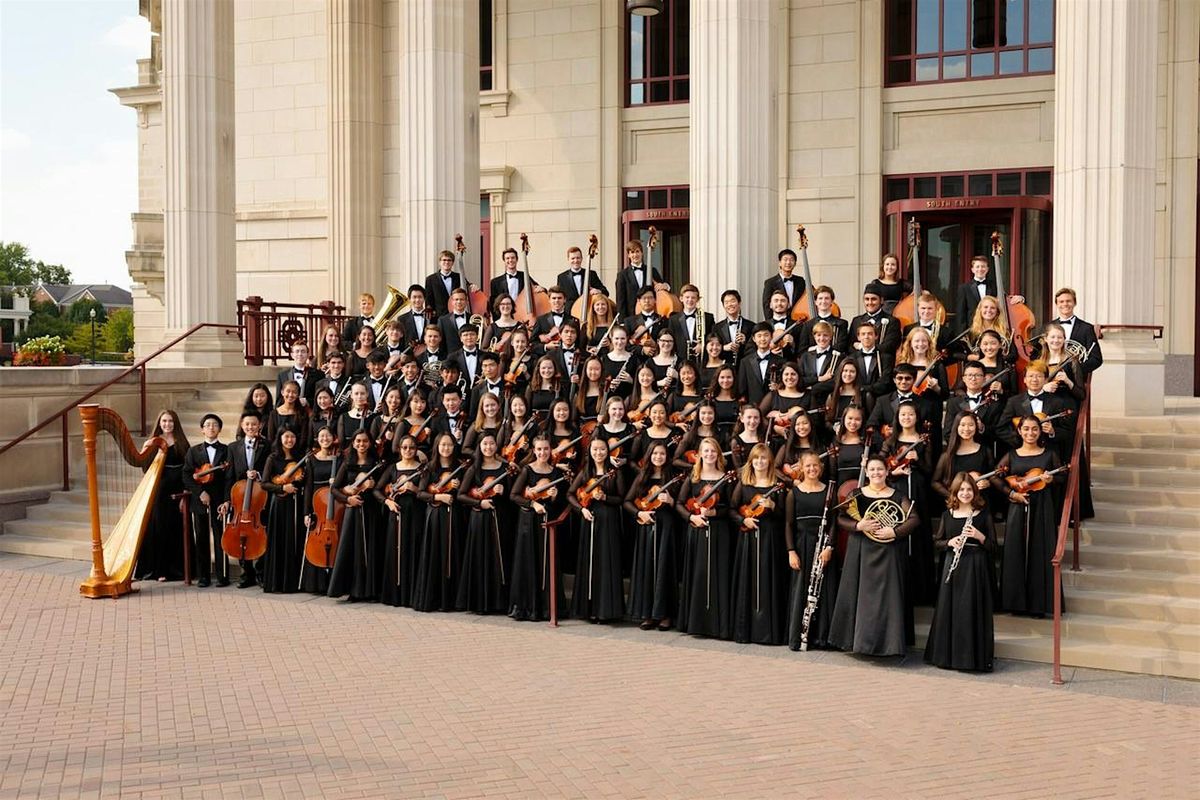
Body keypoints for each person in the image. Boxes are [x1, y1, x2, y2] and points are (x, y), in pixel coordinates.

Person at [829, 456, 919, 657]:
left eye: (880, 469)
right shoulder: (857, 494)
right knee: (861, 597)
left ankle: (889, 645)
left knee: (888, 598)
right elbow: (840, 518)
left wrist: (894, 532)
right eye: (872, 469)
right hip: (861, 550)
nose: (876, 473)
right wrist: (858, 525)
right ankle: (860, 643)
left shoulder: (898, 496)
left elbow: (914, 519)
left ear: (887, 472)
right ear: (867, 472)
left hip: (889, 551)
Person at [924, 473, 997, 672]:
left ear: (975, 492)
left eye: (969, 490)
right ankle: (947, 657)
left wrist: (980, 536)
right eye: (961, 490)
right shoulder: (948, 515)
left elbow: (993, 547)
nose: (965, 493)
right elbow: (937, 542)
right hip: (953, 566)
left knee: (970, 610)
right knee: (950, 610)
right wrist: (950, 542)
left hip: (975, 567)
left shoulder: (983, 514)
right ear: (955, 492)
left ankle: (971, 659)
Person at [997, 415, 1065, 617]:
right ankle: (1015, 603)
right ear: (1019, 431)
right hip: (1018, 505)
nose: (1030, 433)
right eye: (1026, 429)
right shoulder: (1011, 455)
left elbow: (1062, 476)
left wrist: (1051, 478)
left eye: (1034, 429)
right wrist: (1012, 494)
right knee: (1015, 550)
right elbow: (996, 477)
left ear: (1040, 431)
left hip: (1042, 507)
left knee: (1040, 551)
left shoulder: (1049, 454)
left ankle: (1039, 605)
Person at [675, 437, 735, 640]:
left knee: (719, 575)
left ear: (718, 455)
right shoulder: (693, 478)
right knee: (699, 575)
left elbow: (730, 508)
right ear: (700, 455)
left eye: (713, 451)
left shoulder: (725, 478)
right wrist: (693, 517)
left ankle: (718, 626)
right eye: (706, 451)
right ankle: (696, 623)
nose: (709, 455)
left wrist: (714, 514)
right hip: (697, 530)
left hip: (719, 532)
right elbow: (680, 504)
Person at [730, 443, 786, 645]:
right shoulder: (744, 483)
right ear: (751, 461)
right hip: (749, 538)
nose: (760, 462)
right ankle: (747, 630)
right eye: (756, 458)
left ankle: (767, 632)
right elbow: (732, 509)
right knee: (749, 580)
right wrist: (742, 520)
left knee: (767, 580)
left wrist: (773, 506)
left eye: (764, 458)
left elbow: (785, 517)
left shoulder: (777, 484)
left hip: (770, 539)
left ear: (769, 461)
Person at [508, 436, 569, 621]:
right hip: (528, 522)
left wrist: (553, 497)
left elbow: (561, 503)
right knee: (529, 560)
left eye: (546, 449)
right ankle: (528, 607)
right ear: (534, 450)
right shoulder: (527, 470)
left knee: (547, 563)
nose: (543, 453)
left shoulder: (557, 474)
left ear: (551, 451)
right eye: (539, 449)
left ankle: (547, 608)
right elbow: (514, 495)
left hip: (547, 522)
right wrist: (533, 503)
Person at [625, 441, 683, 631]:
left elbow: (681, 506)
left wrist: (671, 500)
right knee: (647, 567)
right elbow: (627, 501)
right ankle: (648, 613)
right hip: (646, 525)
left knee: (664, 567)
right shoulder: (642, 476)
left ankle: (665, 614)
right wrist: (639, 513)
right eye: (655, 454)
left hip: (666, 526)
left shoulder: (672, 477)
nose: (658, 457)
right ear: (649, 455)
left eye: (662, 454)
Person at [568, 438, 626, 623]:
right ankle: (589, 609)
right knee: (590, 562)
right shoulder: (586, 471)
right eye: (595, 449)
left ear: (607, 451)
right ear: (590, 451)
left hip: (609, 521)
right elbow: (570, 494)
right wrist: (581, 509)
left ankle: (607, 611)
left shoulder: (614, 472)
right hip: (590, 519)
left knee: (607, 562)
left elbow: (622, 499)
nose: (598, 453)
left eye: (602, 449)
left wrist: (605, 497)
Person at [785, 452, 838, 651]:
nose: (812, 469)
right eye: (808, 466)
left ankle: (822, 638)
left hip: (822, 546)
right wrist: (791, 551)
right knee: (801, 591)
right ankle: (799, 636)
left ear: (821, 468)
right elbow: (789, 525)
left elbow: (833, 523)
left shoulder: (829, 492)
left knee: (823, 590)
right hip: (801, 545)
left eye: (815, 466)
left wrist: (829, 547)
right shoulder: (794, 493)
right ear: (802, 468)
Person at [456, 433, 513, 614]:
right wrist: (479, 502)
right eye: (485, 444)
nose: (488, 447)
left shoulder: (505, 468)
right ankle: (480, 602)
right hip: (480, 518)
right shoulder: (474, 469)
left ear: (496, 446)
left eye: (491, 443)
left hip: (501, 518)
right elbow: (461, 495)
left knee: (500, 558)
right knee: (481, 557)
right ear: (480, 447)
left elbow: (514, 495)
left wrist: (503, 491)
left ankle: (500, 602)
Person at [412, 433, 466, 612]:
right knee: (435, 554)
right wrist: (438, 496)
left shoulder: (459, 467)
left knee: (453, 554)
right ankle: (434, 599)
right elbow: (420, 493)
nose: (446, 448)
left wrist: (457, 490)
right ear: (437, 446)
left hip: (454, 516)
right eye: (443, 445)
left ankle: (452, 600)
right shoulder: (430, 467)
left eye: (450, 445)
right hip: (435, 516)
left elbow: (465, 494)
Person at [326, 430, 381, 601]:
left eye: (365, 441)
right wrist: (348, 498)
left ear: (370, 443)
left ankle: (370, 591)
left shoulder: (376, 463)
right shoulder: (347, 463)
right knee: (352, 550)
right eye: (358, 441)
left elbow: (382, 487)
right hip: (353, 511)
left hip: (371, 510)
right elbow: (334, 488)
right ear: (353, 443)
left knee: (370, 549)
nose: (361, 444)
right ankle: (354, 591)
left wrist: (374, 484)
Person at [136, 409, 189, 582]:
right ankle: (158, 570)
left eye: (171, 421)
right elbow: (145, 468)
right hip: (158, 491)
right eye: (164, 421)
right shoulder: (154, 443)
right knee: (158, 528)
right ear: (159, 423)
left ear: (176, 423)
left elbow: (186, 470)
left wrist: (183, 495)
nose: (167, 424)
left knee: (174, 528)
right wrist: (145, 448)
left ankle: (175, 570)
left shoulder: (182, 442)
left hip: (176, 491)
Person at [375, 435, 427, 608]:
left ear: (416, 449)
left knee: (414, 549)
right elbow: (377, 490)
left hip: (416, 514)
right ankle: (395, 595)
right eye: (404, 447)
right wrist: (388, 502)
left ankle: (411, 595)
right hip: (396, 513)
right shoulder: (393, 468)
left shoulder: (422, 469)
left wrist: (415, 488)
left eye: (412, 447)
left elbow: (426, 492)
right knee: (395, 550)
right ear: (399, 448)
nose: (408, 451)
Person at [181, 413, 229, 587]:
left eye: (215, 425)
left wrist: (226, 500)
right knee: (201, 537)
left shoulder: (226, 450)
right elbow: (187, 475)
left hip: (219, 501)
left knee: (220, 536)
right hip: (199, 500)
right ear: (202, 430)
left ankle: (223, 575)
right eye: (207, 425)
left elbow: (229, 477)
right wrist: (200, 492)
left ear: (219, 429)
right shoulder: (193, 451)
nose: (211, 427)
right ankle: (203, 576)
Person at [224, 412, 269, 588]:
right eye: (247, 424)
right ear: (242, 426)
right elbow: (229, 476)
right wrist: (227, 499)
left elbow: (270, 468)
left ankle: (260, 572)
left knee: (260, 534)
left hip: (258, 497)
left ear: (259, 426)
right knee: (240, 536)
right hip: (239, 496)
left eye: (254, 424)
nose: (250, 427)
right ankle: (245, 573)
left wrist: (257, 474)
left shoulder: (267, 446)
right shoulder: (233, 447)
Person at [259, 428, 307, 594]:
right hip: (279, 504)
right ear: (280, 438)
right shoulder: (273, 458)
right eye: (286, 436)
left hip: (295, 503)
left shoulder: (300, 458)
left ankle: (292, 583)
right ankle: (277, 582)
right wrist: (282, 487)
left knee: (294, 540)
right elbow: (264, 483)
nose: (290, 440)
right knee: (279, 540)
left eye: (293, 436)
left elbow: (304, 483)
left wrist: (299, 480)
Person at [299, 425, 339, 596]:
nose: (325, 439)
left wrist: (336, 482)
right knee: (315, 543)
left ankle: (333, 581)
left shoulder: (338, 459)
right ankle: (315, 583)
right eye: (322, 436)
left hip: (334, 506)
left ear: (333, 438)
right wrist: (306, 512)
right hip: (317, 507)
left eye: (328, 436)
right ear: (317, 438)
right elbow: (308, 488)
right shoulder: (312, 460)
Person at [1052, 287, 1103, 374]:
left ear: (1074, 303)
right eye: (1061, 301)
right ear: (1056, 304)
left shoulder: (1086, 328)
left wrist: (1076, 370)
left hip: (1074, 379)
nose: (1065, 304)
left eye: (1068, 301)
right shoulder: (1048, 327)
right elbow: (1038, 354)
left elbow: (1096, 359)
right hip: (1050, 374)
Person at [615, 238, 666, 319]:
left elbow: (663, 286)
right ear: (628, 255)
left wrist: (665, 286)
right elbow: (620, 300)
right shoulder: (622, 275)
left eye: (637, 251)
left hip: (653, 314)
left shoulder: (651, 270)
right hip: (632, 316)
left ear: (642, 253)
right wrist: (622, 321)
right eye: (632, 252)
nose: (635, 255)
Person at [736, 322, 782, 406]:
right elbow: (741, 389)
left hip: (774, 406)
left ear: (771, 337)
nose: (763, 339)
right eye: (759, 336)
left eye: (766, 335)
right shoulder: (745, 362)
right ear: (754, 339)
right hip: (752, 408)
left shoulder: (781, 361)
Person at [849, 285, 901, 357]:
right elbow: (850, 346)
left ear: (881, 300)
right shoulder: (856, 321)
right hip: (859, 364)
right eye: (867, 299)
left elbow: (890, 346)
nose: (870, 302)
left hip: (882, 364)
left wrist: (862, 346)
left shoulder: (892, 322)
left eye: (874, 299)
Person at [667, 284, 715, 361]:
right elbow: (671, 340)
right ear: (681, 298)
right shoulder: (673, 319)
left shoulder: (707, 317)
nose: (690, 300)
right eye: (687, 297)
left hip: (702, 361)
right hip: (681, 361)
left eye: (693, 298)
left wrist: (703, 345)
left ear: (697, 299)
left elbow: (712, 337)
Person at [795, 286, 850, 354]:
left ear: (832, 301)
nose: (823, 301)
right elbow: (802, 350)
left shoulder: (842, 324)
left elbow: (842, 347)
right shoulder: (807, 325)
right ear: (815, 302)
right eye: (820, 298)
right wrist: (817, 348)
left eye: (826, 298)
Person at [556, 244, 609, 312]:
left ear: (581, 259)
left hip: (589, 311)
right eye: (573, 258)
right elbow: (559, 296)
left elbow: (606, 292)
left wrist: (598, 291)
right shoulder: (562, 277)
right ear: (568, 259)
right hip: (570, 312)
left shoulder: (591, 274)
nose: (576, 260)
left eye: (578, 258)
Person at [953, 254, 997, 334]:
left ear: (987, 269)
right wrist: (963, 335)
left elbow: (1005, 301)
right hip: (972, 330)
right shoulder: (964, 288)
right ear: (972, 269)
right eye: (977, 266)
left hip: (991, 328)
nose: (980, 269)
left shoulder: (994, 286)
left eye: (983, 266)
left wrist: (1021, 299)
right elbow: (961, 313)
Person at [761, 247, 806, 319]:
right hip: (778, 319)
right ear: (780, 263)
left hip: (798, 319)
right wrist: (771, 324)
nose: (788, 262)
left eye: (791, 260)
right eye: (785, 259)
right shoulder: (770, 282)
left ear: (795, 263)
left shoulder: (800, 281)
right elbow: (767, 305)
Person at [424, 249, 465, 317]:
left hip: (456, 314)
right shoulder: (430, 279)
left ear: (452, 262)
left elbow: (468, 287)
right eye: (444, 260)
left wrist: (473, 287)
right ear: (440, 262)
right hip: (439, 316)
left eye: (449, 260)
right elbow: (428, 300)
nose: (447, 262)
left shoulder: (459, 277)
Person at [275, 341, 317, 408]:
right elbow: (279, 400)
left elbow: (319, 398)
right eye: (297, 351)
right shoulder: (282, 376)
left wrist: (307, 401)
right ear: (292, 355)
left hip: (308, 414)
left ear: (308, 354)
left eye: (303, 351)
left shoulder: (318, 375)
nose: (300, 354)